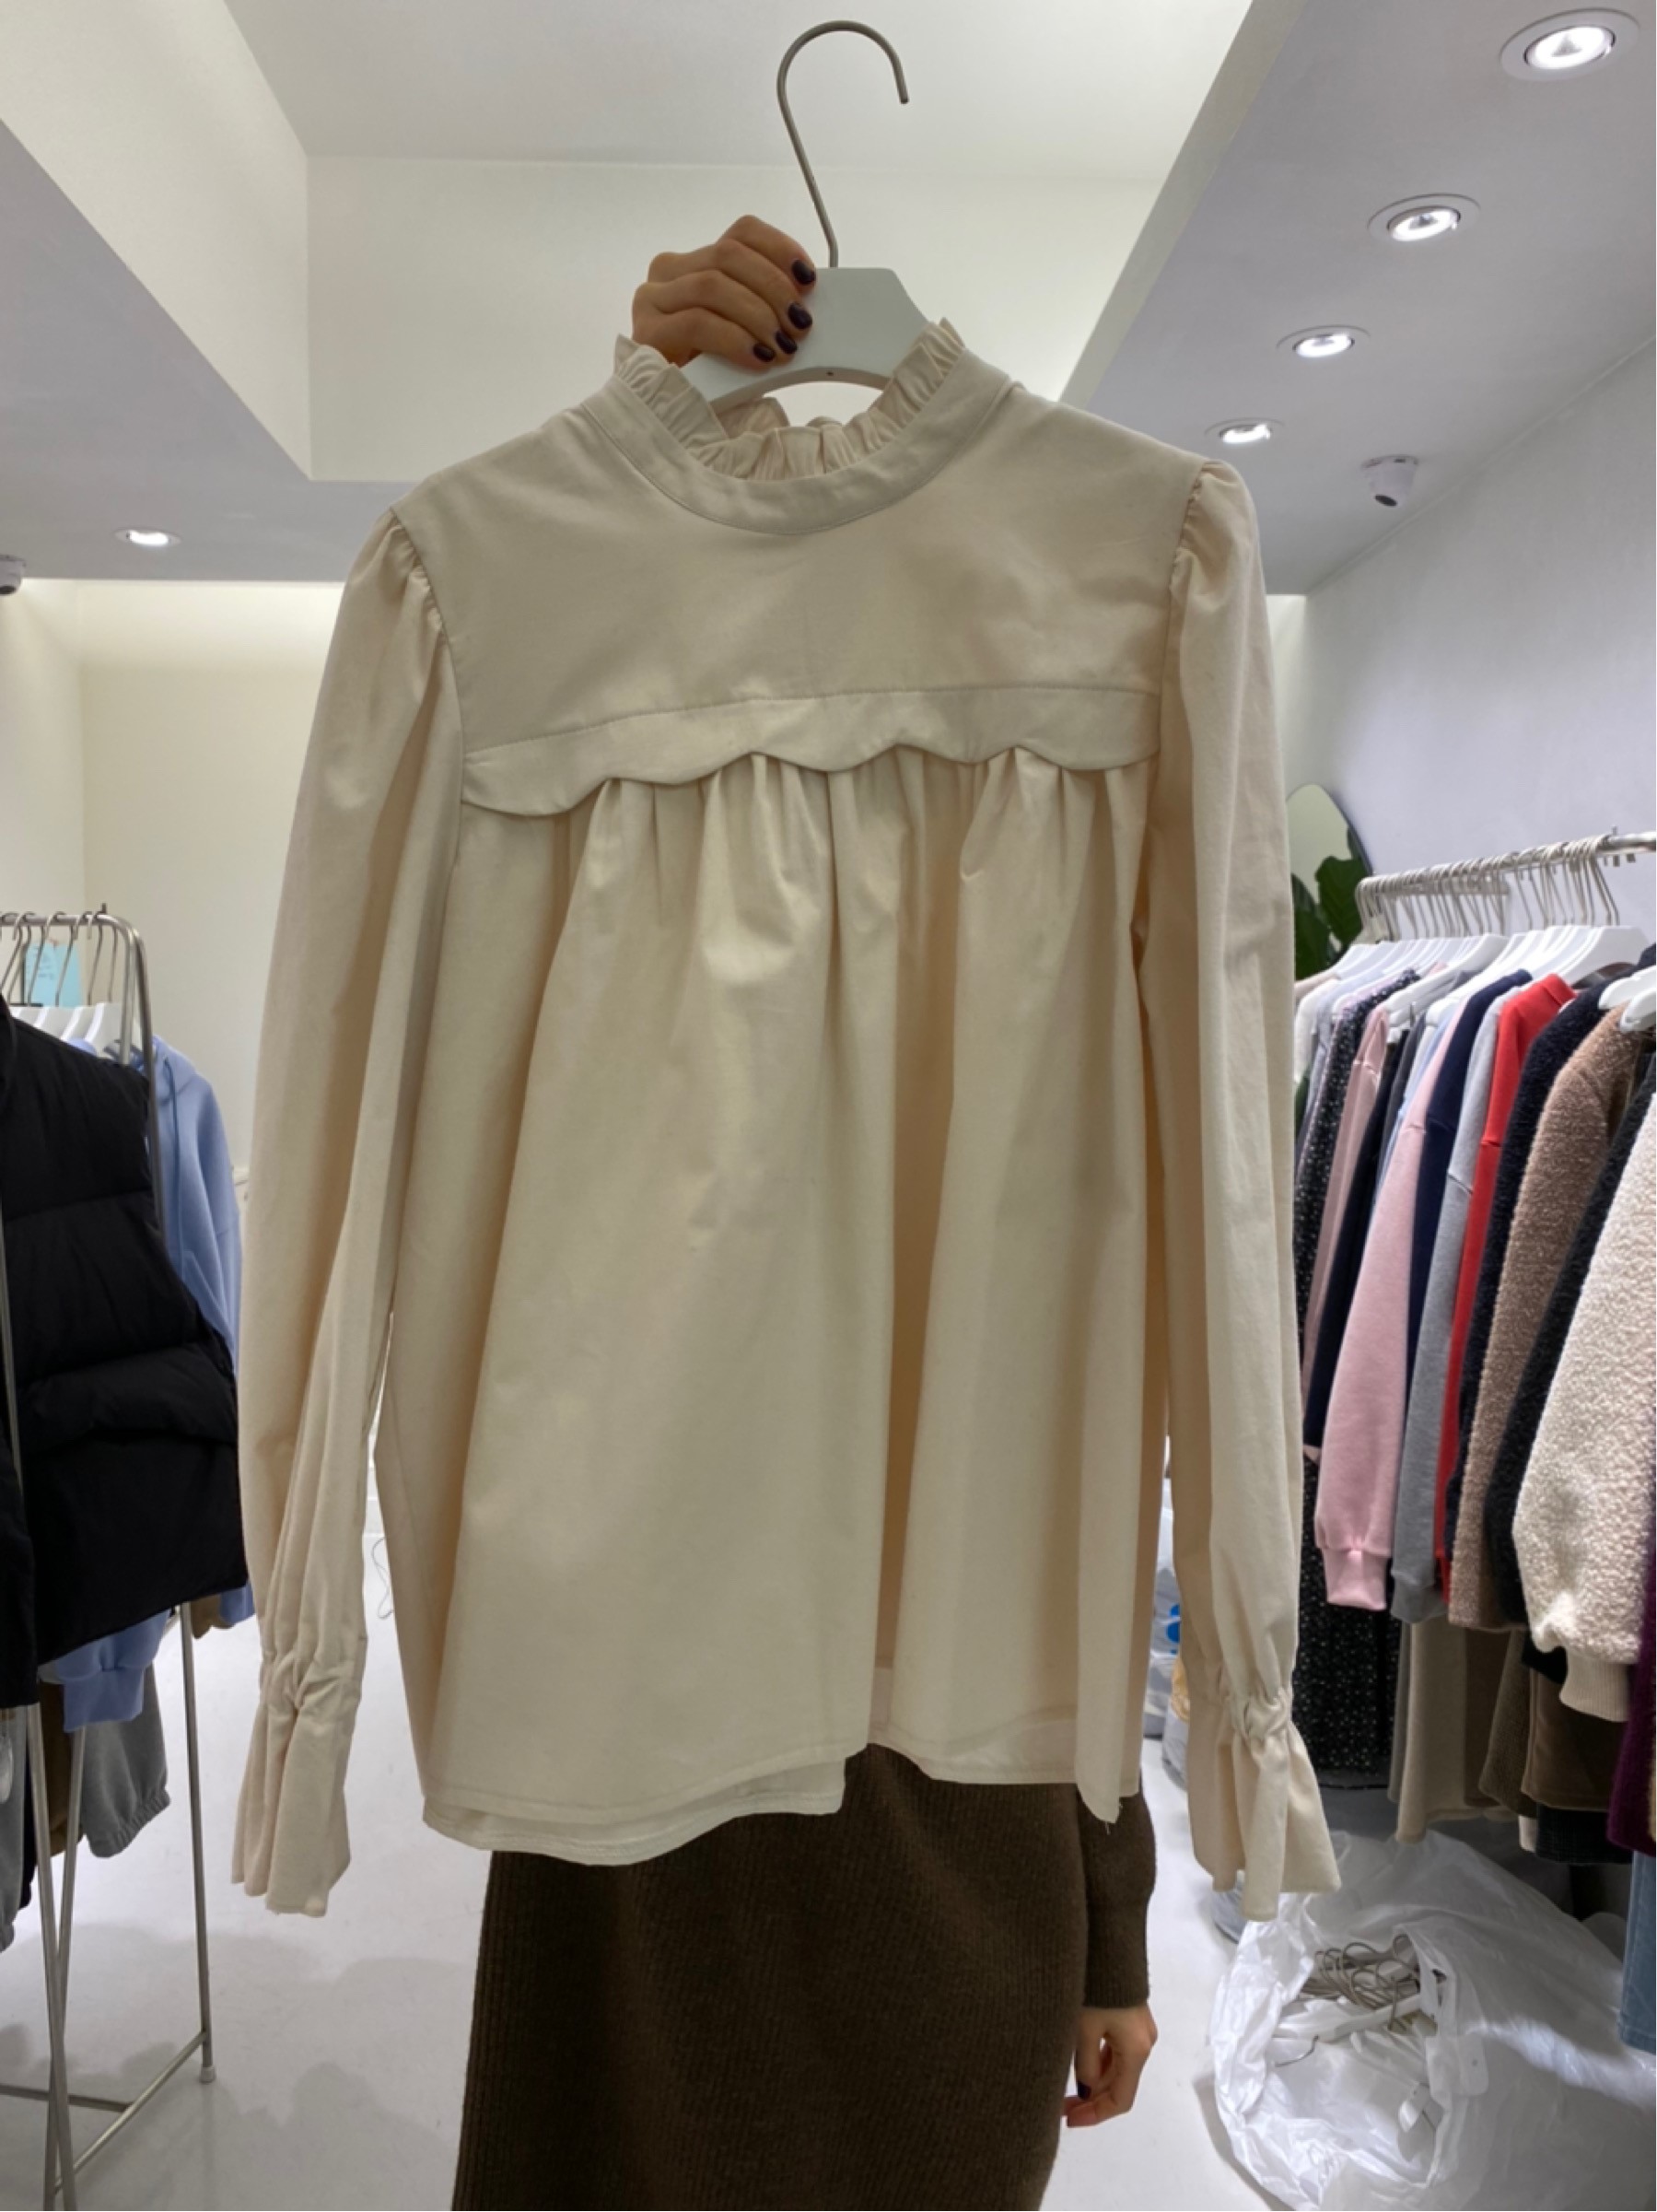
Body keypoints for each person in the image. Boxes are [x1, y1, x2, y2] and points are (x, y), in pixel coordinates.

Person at [449, 217, 1160, 2212]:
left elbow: (1097, 1412)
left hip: (950, 1797)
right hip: (633, 1773)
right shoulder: (584, 752)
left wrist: (1111, 1910)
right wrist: (640, 455)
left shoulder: (1089, 685)